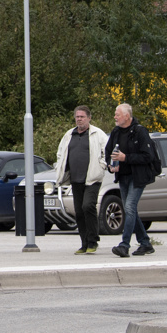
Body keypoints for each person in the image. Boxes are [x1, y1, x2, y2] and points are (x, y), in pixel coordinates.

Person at [103, 103, 157, 258]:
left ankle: (124, 245)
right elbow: (108, 151)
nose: (115, 117)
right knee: (129, 209)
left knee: (129, 207)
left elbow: (148, 156)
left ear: (127, 116)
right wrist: (111, 165)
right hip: (123, 177)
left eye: (117, 114)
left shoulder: (140, 132)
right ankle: (145, 243)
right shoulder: (116, 132)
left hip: (138, 177)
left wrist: (125, 158)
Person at [54, 105, 108, 255]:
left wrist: (101, 166)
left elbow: (107, 152)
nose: (79, 119)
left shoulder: (98, 134)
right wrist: (60, 167)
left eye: (82, 117)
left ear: (89, 118)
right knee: (78, 212)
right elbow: (60, 153)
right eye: (77, 117)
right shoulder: (69, 135)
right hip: (75, 179)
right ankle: (84, 243)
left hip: (92, 178)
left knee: (88, 206)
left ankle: (93, 240)